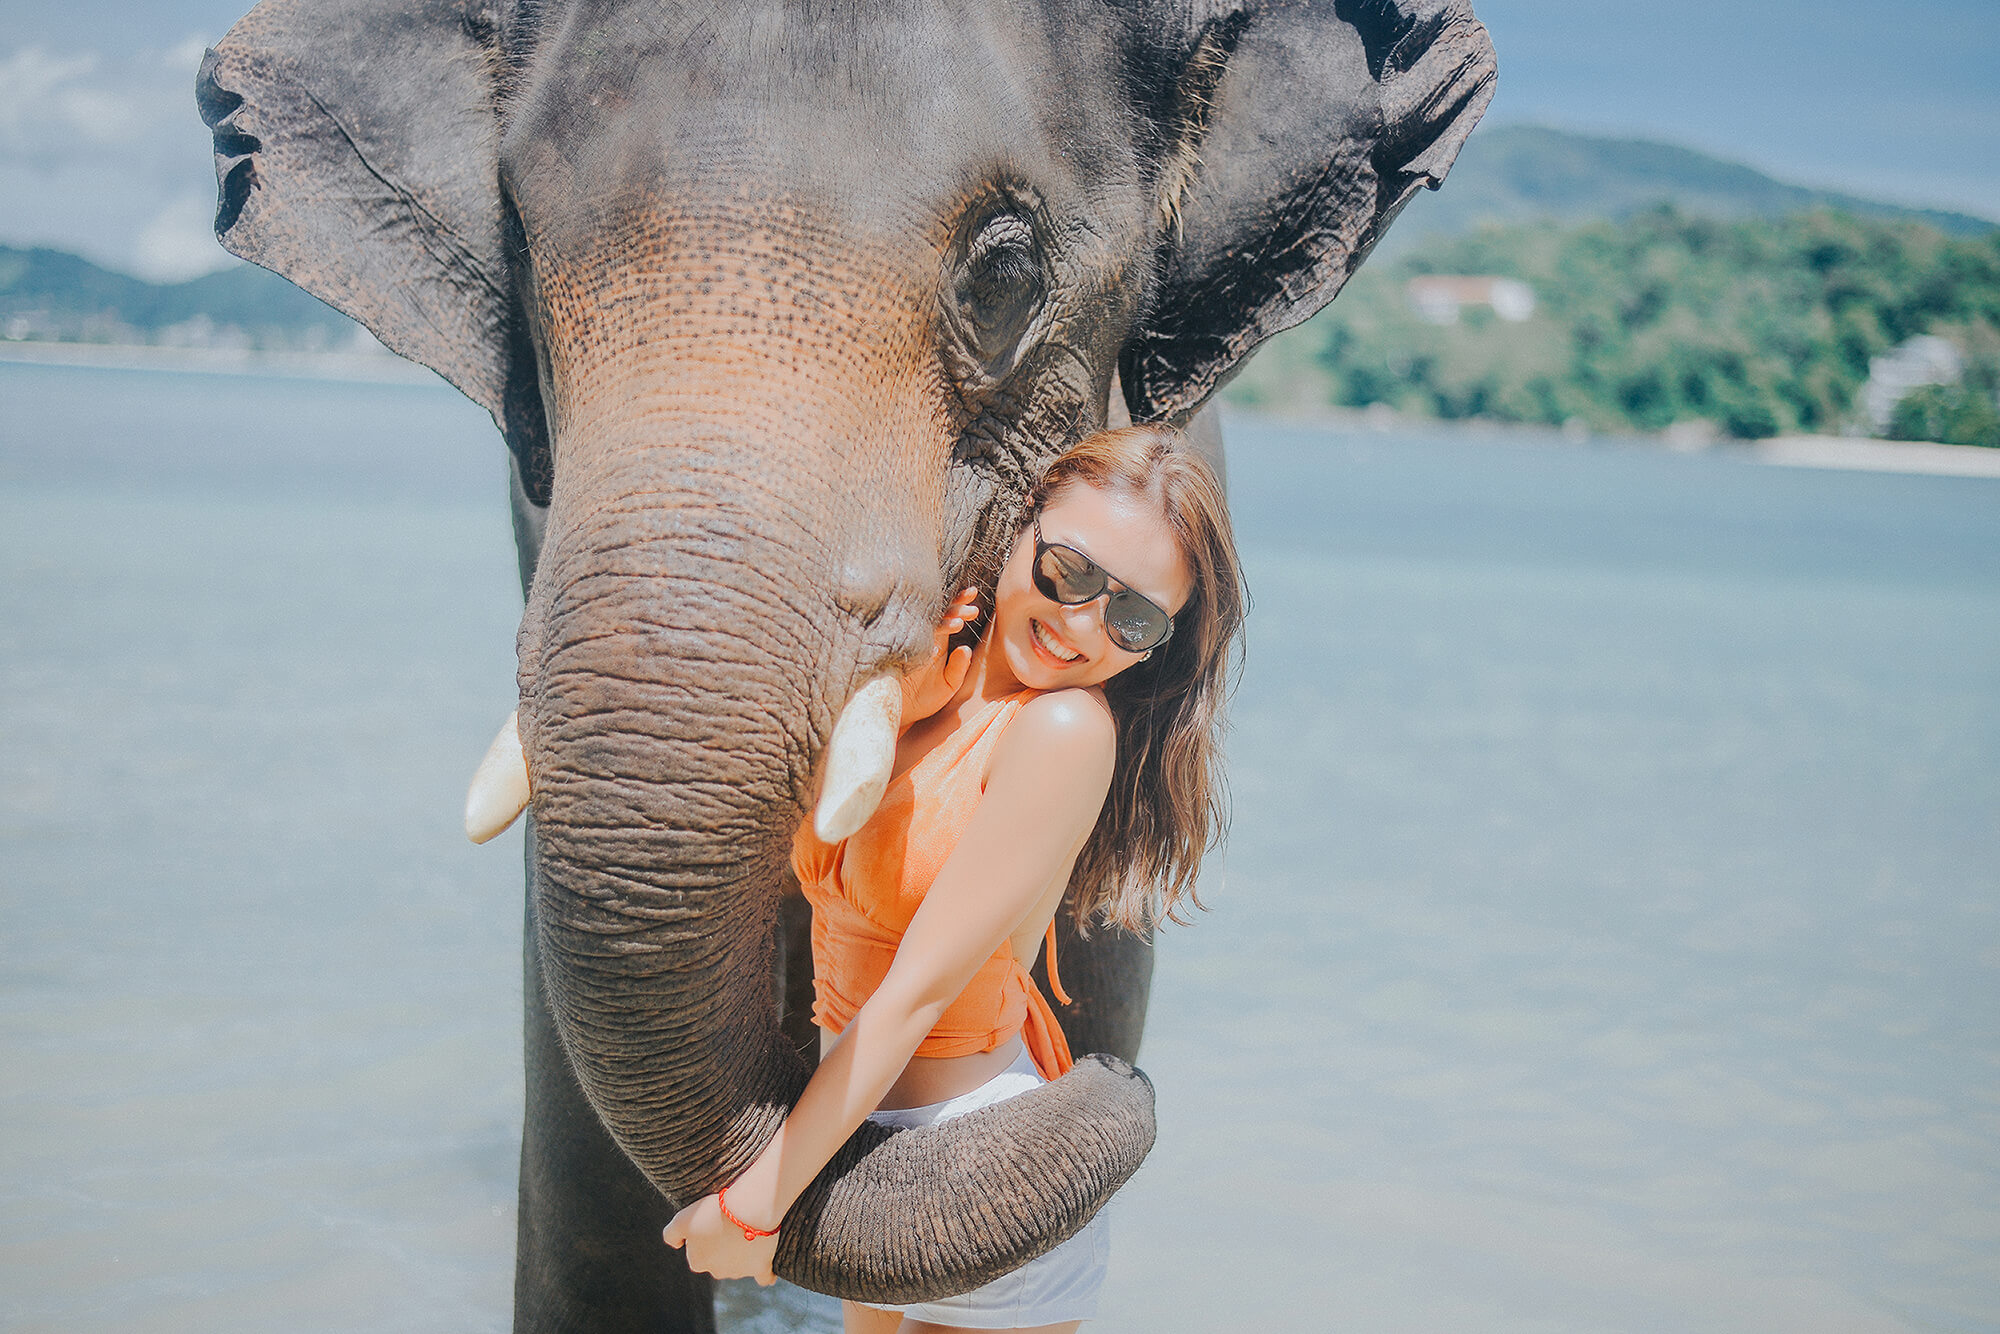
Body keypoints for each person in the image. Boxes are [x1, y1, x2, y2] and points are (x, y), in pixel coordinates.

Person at [663, 423, 1246, 1332]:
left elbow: (918, 991)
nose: (1081, 624)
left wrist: (758, 1203)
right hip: (863, 1155)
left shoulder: (1065, 732)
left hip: (975, 1171)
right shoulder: (929, 688)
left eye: (1134, 618)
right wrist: (911, 709)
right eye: (1071, 572)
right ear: (1021, 527)